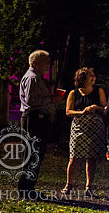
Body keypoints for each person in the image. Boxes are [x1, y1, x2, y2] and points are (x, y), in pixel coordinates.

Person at [17, 49, 64, 196]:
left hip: (35, 119)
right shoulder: (33, 78)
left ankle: (27, 188)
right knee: (34, 153)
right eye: (45, 63)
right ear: (34, 63)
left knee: (34, 153)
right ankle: (26, 189)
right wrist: (51, 100)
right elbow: (32, 101)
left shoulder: (35, 77)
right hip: (34, 119)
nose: (47, 66)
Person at [63, 67, 106, 195]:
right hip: (78, 127)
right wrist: (82, 112)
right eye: (90, 75)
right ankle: (69, 185)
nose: (93, 77)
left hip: (95, 127)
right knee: (74, 157)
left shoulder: (98, 90)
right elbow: (68, 111)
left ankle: (89, 187)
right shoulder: (74, 93)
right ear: (82, 78)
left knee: (91, 157)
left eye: (94, 75)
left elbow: (104, 108)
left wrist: (95, 107)